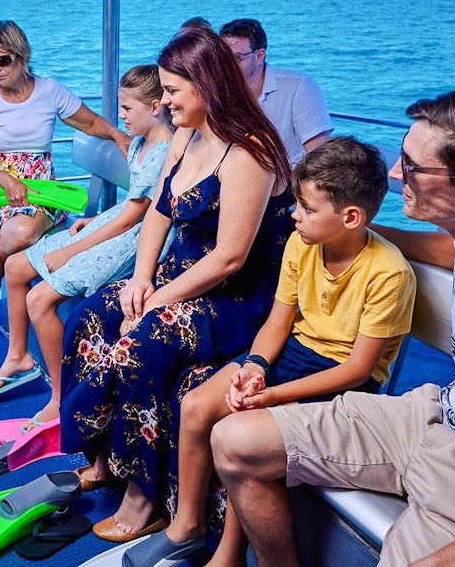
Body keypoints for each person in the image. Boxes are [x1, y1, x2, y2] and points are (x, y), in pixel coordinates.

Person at [214, 86, 455, 566]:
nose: (396, 173)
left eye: (413, 165)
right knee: (233, 441)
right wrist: (357, 230)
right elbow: (454, 251)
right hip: (441, 410)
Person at [124, 136, 416, 567]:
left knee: (246, 429)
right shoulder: (302, 245)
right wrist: (257, 367)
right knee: (197, 405)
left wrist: (271, 396)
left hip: (341, 380)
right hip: (291, 354)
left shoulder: (389, 273)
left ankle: (228, 555)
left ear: (351, 216)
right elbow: (278, 323)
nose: (294, 215)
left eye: (308, 209)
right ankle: (187, 525)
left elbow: (359, 370)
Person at [59, 27, 293, 543]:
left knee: (141, 344)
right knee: (92, 315)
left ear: (209, 85)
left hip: (235, 299)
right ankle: (103, 461)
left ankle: (145, 498)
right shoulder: (187, 135)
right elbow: (161, 211)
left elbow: (231, 258)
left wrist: (159, 299)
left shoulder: (250, 151)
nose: (163, 103)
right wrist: (142, 278)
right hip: (180, 277)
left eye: (172, 91)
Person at [0, 65, 175, 429]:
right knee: (15, 267)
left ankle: (60, 399)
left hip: (134, 241)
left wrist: (70, 250)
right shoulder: (139, 146)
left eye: (127, 109)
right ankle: (18, 356)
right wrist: (93, 220)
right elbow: (133, 202)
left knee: (40, 300)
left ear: (154, 107)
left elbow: (135, 219)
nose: (121, 116)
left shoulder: (165, 152)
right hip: (117, 224)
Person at [0, 20, 130, 358]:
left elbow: (90, 121)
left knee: (17, 236)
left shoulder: (49, 91)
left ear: (22, 56)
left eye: (3, 61)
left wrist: (118, 134)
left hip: (38, 192)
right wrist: (8, 182)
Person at [218, 18, 333, 166]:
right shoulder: (219, 93)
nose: (226, 65)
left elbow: (320, 157)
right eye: (222, 58)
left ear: (259, 55)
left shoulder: (298, 86)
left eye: (236, 58)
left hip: (291, 182)